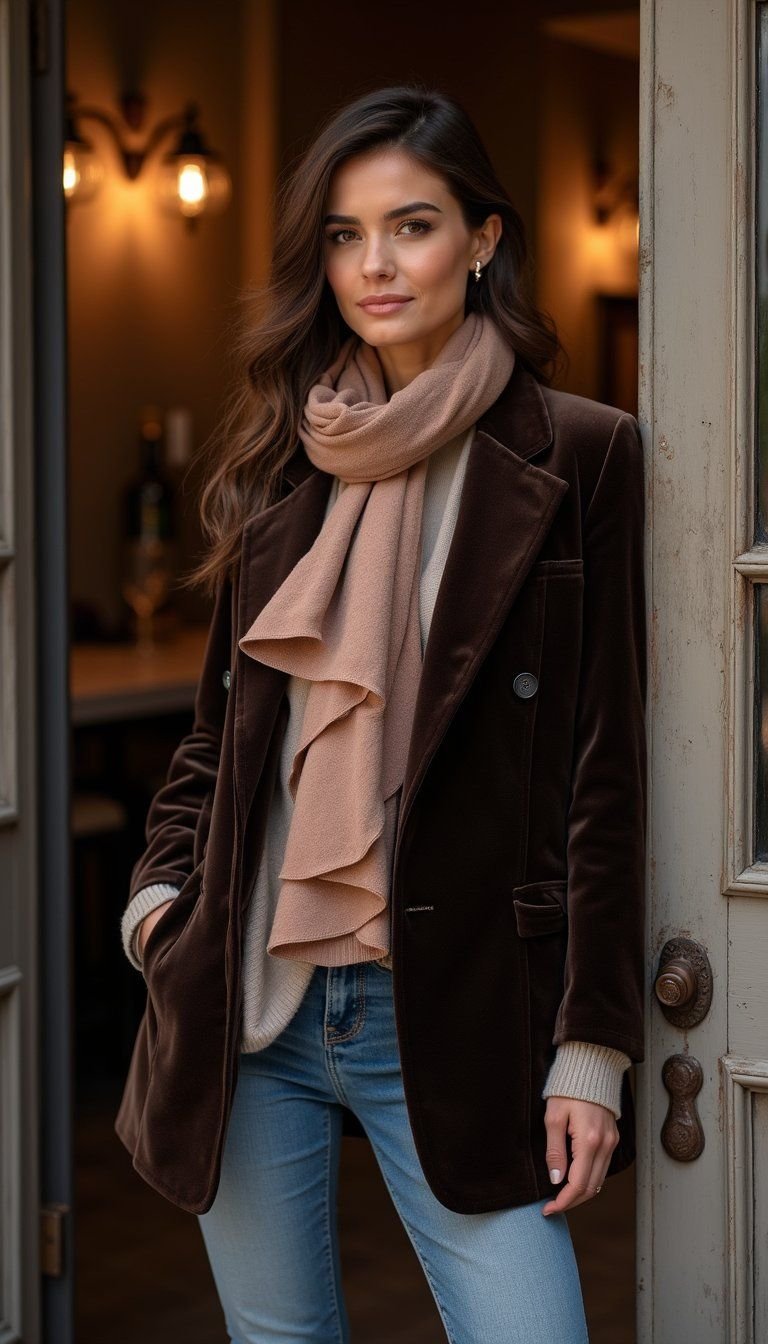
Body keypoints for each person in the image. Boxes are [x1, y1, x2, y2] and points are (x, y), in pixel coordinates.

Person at [118, 83, 646, 1344]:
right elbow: (217, 735)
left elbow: (604, 777)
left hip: (456, 1008)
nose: (375, 265)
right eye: (346, 237)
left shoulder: (580, 456)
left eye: (411, 226)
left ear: (483, 238)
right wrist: (160, 911)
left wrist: (593, 1050)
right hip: (255, 1004)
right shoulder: (282, 460)